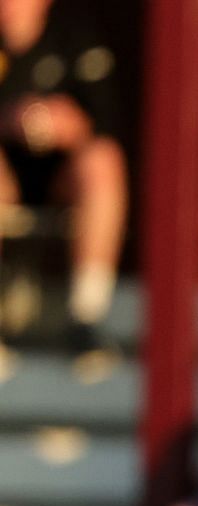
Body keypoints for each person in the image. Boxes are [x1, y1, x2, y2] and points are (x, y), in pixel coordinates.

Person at [0, 0, 126, 361]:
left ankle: (86, 317)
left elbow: (106, 124)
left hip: (60, 179)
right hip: (6, 179)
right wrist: (11, 120)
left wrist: (67, 124)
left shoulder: (74, 38)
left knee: (101, 162)